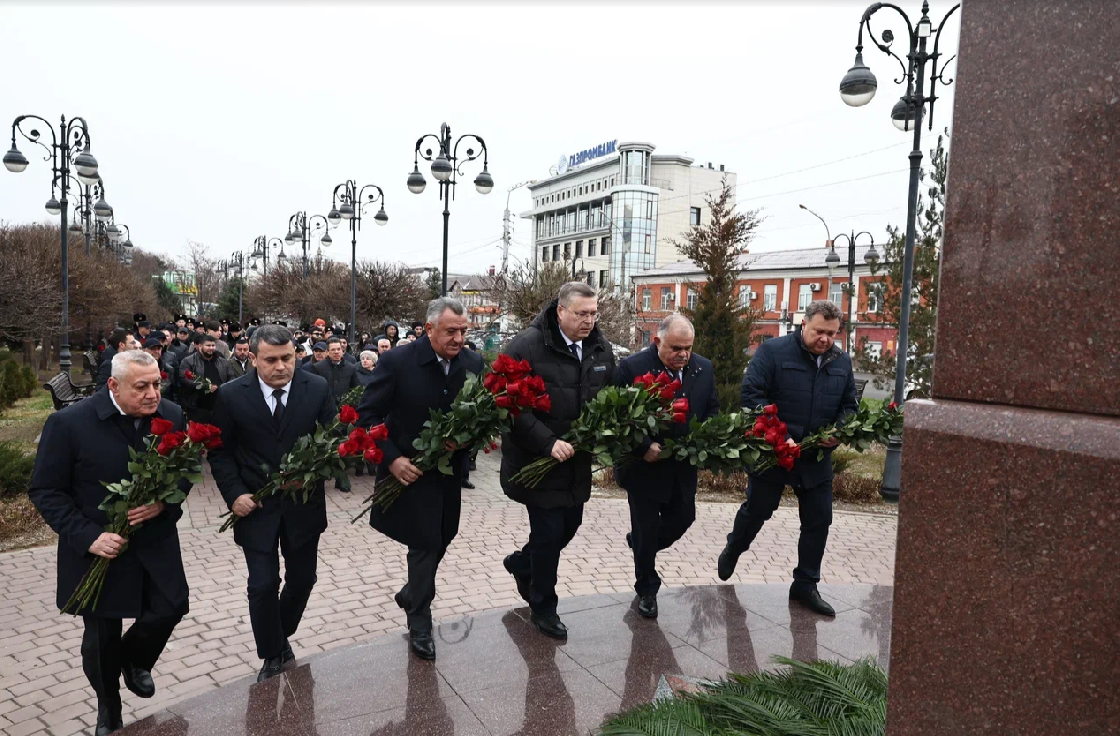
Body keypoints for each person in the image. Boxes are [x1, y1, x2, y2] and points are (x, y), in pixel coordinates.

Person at [29, 351, 192, 735]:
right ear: (114, 386)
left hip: (154, 540)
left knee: (171, 606)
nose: (154, 394)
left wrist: (163, 503)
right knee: (101, 638)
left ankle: (135, 659)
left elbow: (184, 472)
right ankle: (108, 706)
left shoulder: (171, 414)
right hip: (100, 546)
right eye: (142, 387)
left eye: (157, 383)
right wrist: (89, 537)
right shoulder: (68, 424)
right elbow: (46, 490)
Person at [208, 324, 338, 682]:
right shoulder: (232, 396)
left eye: (288, 358)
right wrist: (235, 495)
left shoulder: (318, 388)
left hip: (303, 505)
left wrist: (312, 473)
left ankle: (279, 636)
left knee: (302, 580)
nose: (281, 366)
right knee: (263, 585)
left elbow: (334, 441)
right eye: (271, 360)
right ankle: (271, 654)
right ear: (253, 358)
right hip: (256, 507)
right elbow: (219, 452)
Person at [357, 297, 484, 661]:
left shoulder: (473, 362)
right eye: (451, 331)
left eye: (464, 331)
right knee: (425, 543)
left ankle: (412, 592)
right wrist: (393, 459)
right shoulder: (398, 361)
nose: (459, 339)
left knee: (444, 535)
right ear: (429, 329)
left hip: (448, 473)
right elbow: (367, 416)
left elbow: (481, 416)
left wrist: (465, 440)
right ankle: (420, 622)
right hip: (408, 474)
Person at [719, 300, 858, 616]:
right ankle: (734, 547)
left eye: (832, 334)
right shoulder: (773, 352)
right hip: (774, 454)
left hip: (815, 458)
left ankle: (805, 585)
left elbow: (850, 406)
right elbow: (752, 396)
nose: (825, 339)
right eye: (819, 331)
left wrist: (840, 430)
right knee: (758, 510)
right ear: (804, 323)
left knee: (819, 520)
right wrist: (779, 437)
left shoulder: (841, 362)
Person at [500, 282, 616, 640]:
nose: (589, 320)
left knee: (569, 526)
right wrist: (547, 442)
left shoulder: (600, 348)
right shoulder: (527, 346)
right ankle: (544, 607)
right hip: (537, 460)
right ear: (560, 311)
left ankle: (522, 563)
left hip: (575, 462)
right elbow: (508, 406)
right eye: (582, 313)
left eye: (594, 313)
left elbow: (607, 396)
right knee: (549, 534)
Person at [611, 314, 719, 618]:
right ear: (657, 341)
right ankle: (647, 588)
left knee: (683, 518)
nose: (683, 354)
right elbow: (617, 416)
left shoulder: (703, 367)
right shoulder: (632, 368)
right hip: (643, 468)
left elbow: (712, 407)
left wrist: (708, 438)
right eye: (675, 348)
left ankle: (641, 546)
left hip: (683, 466)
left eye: (688, 347)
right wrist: (643, 446)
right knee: (645, 527)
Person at [313, 337, 360, 493]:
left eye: (338, 349)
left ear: (343, 350)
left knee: (343, 446)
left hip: (344, 414)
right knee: (325, 446)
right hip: (325, 414)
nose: (336, 352)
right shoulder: (318, 368)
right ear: (327, 352)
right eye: (332, 350)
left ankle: (342, 478)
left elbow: (356, 389)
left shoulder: (351, 368)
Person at [177, 334, 235, 423]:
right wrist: (205, 386)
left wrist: (223, 388)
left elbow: (231, 376)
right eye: (208, 345)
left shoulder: (223, 362)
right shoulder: (188, 361)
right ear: (200, 346)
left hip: (219, 406)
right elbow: (184, 378)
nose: (211, 348)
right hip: (197, 406)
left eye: (213, 345)